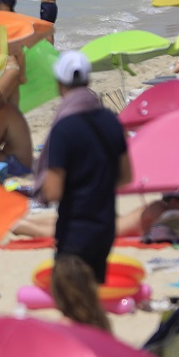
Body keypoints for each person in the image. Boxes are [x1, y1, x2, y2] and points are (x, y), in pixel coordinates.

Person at [40, 53, 131, 333]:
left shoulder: (64, 129)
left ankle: (99, 356)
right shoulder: (110, 120)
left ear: (60, 84)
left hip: (74, 231)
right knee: (89, 300)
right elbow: (126, 177)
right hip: (104, 227)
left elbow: (53, 191)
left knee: (75, 308)